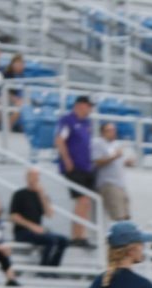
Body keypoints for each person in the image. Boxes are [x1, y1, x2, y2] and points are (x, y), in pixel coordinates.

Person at [55, 95, 95, 248]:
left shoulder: (86, 123)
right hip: (74, 166)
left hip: (85, 167)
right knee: (82, 200)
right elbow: (59, 139)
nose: (90, 109)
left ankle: (81, 235)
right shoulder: (68, 120)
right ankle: (77, 236)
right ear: (80, 105)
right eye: (88, 105)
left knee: (86, 202)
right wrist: (66, 160)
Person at [10, 168, 69, 268]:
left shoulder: (42, 195)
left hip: (38, 231)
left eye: (37, 176)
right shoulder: (19, 194)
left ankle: (53, 268)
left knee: (64, 240)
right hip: (22, 232)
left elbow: (49, 214)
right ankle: (44, 268)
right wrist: (32, 226)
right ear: (27, 178)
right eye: (33, 176)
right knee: (50, 240)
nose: (35, 179)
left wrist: (42, 194)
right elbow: (13, 216)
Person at [92, 123, 134, 221]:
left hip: (120, 185)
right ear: (102, 132)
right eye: (109, 130)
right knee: (118, 216)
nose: (113, 132)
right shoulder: (98, 143)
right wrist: (115, 156)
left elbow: (117, 162)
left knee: (126, 216)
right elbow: (96, 162)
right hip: (109, 184)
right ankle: (119, 235)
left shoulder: (115, 144)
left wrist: (127, 162)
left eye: (114, 130)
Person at [2, 53, 25, 130]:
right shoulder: (7, 75)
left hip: (20, 100)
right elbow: (4, 90)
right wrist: (14, 98)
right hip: (8, 99)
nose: (20, 65)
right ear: (12, 64)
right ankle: (7, 129)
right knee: (18, 107)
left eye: (21, 63)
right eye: (17, 63)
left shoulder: (23, 76)